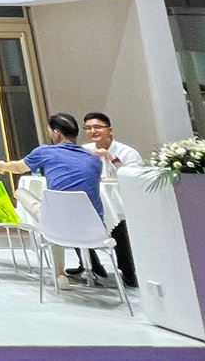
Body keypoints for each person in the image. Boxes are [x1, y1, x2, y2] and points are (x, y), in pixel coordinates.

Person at [0, 113, 107, 285]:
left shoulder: (45, 151)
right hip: (94, 226)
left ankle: (59, 274)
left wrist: (1, 166)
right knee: (57, 214)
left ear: (56, 133)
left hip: (58, 223)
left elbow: (17, 168)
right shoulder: (94, 159)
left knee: (23, 194)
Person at [81, 112, 141, 287]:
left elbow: (133, 178)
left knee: (119, 224)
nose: (93, 131)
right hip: (94, 201)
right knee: (73, 217)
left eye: (97, 127)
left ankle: (128, 272)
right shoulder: (85, 151)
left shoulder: (127, 152)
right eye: (88, 128)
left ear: (110, 130)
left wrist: (110, 157)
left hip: (124, 204)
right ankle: (91, 265)